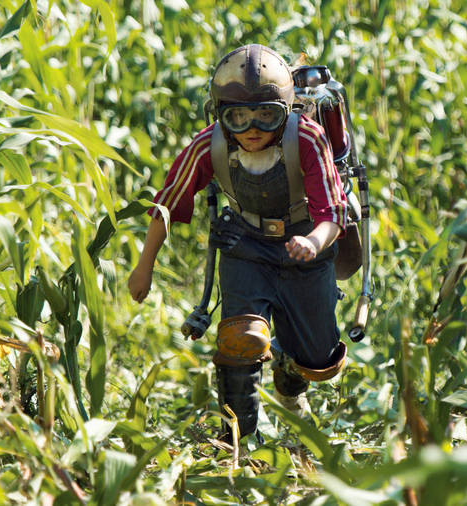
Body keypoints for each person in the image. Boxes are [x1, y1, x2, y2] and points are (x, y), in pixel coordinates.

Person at [128, 44, 348, 443]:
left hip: (305, 248)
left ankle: (289, 379)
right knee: (238, 340)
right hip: (245, 246)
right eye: (238, 117)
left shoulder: (309, 139)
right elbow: (165, 205)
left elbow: (333, 213)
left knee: (318, 359)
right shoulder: (208, 145)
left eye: (266, 116)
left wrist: (314, 243)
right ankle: (238, 439)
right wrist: (144, 266)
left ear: (285, 111)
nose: (252, 130)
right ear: (220, 115)